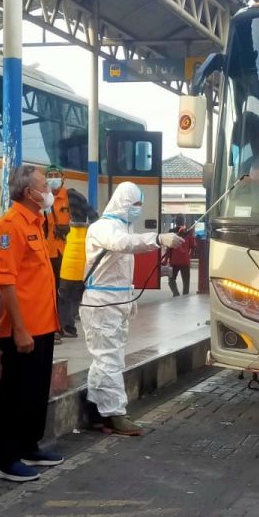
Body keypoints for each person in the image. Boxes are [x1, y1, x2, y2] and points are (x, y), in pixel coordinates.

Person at [83, 182, 182, 436]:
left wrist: (128, 300)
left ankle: (96, 410)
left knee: (104, 361)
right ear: (123, 203)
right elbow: (123, 244)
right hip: (101, 306)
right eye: (135, 204)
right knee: (109, 360)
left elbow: (120, 272)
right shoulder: (103, 228)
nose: (138, 209)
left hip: (116, 304)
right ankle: (116, 415)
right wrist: (158, 239)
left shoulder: (124, 227)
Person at [0, 165, 62, 482]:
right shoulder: (10, 227)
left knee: (34, 392)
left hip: (43, 326)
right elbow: (6, 283)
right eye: (45, 185)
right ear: (29, 193)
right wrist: (18, 328)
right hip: (23, 329)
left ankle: (29, 447)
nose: (51, 189)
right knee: (15, 393)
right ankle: (3, 458)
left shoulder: (37, 222)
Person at [58, 188, 98, 338]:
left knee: (64, 294)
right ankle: (67, 325)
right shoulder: (89, 233)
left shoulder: (72, 196)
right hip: (72, 264)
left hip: (65, 259)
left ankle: (64, 326)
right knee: (72, 294)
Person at [166, 214, 196, 296]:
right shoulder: (189, 232)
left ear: (175, 222)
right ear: (184, 221)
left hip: (174, 260)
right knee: (186, 281)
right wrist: (189, 256)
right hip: (185, 260)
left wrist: (165, 260)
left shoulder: (171, 232)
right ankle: (185, 295)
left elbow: (168, 247)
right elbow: (193, 246)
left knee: (171, 279)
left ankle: (176, 293)